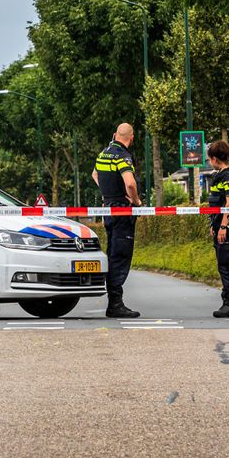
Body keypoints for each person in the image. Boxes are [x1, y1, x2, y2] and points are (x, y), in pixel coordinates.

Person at [92, 123, 142, 318]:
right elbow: (129, 182)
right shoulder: (123, 156)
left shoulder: (103, 154)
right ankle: (115, 303)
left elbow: (95, 174)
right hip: (122, 210)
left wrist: (107, 194)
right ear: (132, 138)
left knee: (113, 253)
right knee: (120, 256)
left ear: (115, 135)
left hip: (109, 209)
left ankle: (114, 301)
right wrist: (136, 201)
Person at [205, 140, 229, 318]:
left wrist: (223, 226)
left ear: (214, 158)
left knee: (226, 265)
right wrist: (214, 224)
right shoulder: (222, 174)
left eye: (209, 159)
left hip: (226, 228)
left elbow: (228, 203)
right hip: (220, 225)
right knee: (224, 264)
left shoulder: (226, 175)